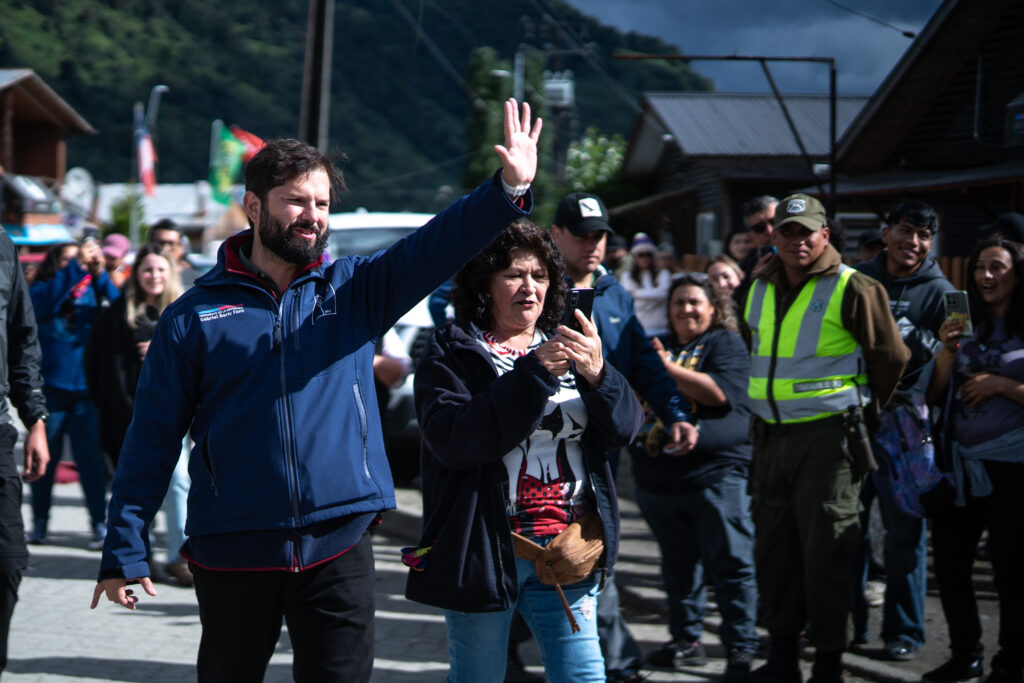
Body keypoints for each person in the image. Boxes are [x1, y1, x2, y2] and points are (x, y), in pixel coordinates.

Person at [90, 99, 541, 682]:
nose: (312, 216)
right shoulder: (192, 315)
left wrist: (508, 188)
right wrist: (123, 546)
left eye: (322, 204)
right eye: (296, 201)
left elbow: (437, 244)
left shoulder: (354, 291)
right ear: (253, 206)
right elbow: (150, 439)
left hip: (339, 541)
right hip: (232, 547)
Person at [406, 219, 642, 682]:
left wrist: (599, 374)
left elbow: (626, 428)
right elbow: (456, 441)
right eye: (513, 274)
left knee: (585, 676)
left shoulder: (571, 343)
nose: (528, 288)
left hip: (568, 547)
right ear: (485, 283)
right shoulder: (451, 352)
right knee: (479, 677)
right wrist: (533, 376)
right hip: (484, 550)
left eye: (540, 276)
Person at [744, 194, 909, 683]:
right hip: (769, 437)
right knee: (775, 554)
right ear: (775, 235)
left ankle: (829, 664)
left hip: (828, 442)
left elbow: (892, 359)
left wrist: (861, 411)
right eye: (788, 231)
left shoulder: (854, 287)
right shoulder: (758, 285)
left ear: (825, 235)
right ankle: (781, 659)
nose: (797, 241)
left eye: (806, 232)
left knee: (829, 555)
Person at [550, 191, 698, 683]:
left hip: (599, 454)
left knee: (593, 552)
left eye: (600, 236)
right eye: (582, 235)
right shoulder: (534, 287)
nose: (593, 245)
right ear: (556, 235)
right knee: (541, 552)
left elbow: (647, 367)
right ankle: (517, 644)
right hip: (539, 452)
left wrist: (674, 410)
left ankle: (613, 662)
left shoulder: (616, 296)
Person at [634, 273, 758, 682]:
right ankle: (686, 642)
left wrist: (664, 368)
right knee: (678, 570)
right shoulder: (661, 343)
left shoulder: (725, 343)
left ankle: (740, 648)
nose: (685, 309)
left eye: (694, 302)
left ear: (712, 307)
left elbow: (717, 393)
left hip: (715, 479)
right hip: (661, 484)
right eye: (678, 303)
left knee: (732, 566)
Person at [851, 200, 952, 661]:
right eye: (907, 231)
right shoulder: (854, 280)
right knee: (844, 527)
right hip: (851, 418)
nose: (914, 242)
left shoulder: (946, 294)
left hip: (908, 426)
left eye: (924, 235)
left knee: (905, 534)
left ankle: (905, 633)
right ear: (886, 231)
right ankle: (846, 625)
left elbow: (953, 366)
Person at [924, 239, 1024, 683]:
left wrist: (1001, 386)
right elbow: (934, 392)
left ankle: (1011, 664)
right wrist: (946, 350)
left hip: (1015, 467)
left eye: (997, 267)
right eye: (980, 268)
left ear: (1017, 274)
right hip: (962, 464)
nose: (986, 276)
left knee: (1012, 570)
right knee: (949, 562)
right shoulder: (966, 325)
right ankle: (965, 656)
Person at [84, 243, 194, 586]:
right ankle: (137, 560)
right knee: (133, 489)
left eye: (161, 269)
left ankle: (180, 558)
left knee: (178, 483)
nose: (154, 276)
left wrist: (166, 349)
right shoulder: (118, 316)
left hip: (179, 417)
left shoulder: (185, 311)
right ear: (137, 274)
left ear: (170, 273)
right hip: (132, 418)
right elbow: (100, 368)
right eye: (147, 269)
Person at [28, 237, 120, 549]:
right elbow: (45, 302)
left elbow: (120, 307)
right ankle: (39, 523)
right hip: (50, 389)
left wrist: (98, 274)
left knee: (90, 461)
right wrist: (74, 267)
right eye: (69, 260)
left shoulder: (92, 288)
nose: (77, 264)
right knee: (45, 461)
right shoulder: (42, 290)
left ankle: (98, 523)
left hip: (87, 390)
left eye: (78, 259)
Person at [0, 226, 50, 674]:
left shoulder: (2, 244)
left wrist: (35, 417)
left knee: (9, 560)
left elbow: (23, 337)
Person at [619, 232, 671, 339]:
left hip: (661, 331)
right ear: (635, 257)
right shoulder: (627, 276)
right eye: (641, 255)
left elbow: (664, 294)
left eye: (649, 254)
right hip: (639, 331)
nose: (645, 258)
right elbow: (628, 301)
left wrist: (637, 294)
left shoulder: (663, 274)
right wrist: (654, 299)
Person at [148, 219, 197, 287]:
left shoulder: (196, 282)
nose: (165, 248)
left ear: (181, 247)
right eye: (160, 243)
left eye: (171, 243)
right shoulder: (140, 282)